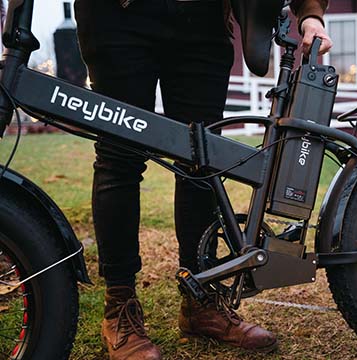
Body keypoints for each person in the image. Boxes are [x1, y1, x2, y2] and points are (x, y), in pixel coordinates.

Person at [73, 0, 331, 359]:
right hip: (118, 15)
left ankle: (201, 300)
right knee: (120, 159)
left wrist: (311, 13)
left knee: (201, 165)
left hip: (204, 20)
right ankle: (120, 306)